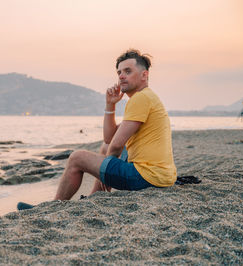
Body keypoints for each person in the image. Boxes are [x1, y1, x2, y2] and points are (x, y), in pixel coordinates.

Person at [17, 49, 177, 210]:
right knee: (104, 147)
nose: (121, 76)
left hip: (147, 178)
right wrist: (110, 105)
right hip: (161, 176)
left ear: (144, 75)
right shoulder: (146, 97)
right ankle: (94, 198)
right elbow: (109, 139)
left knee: (77, 158)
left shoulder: (141, 99)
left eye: (128, 71)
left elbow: (116, 145)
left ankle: (51, 208)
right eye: (119, 72)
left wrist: (105, 174)